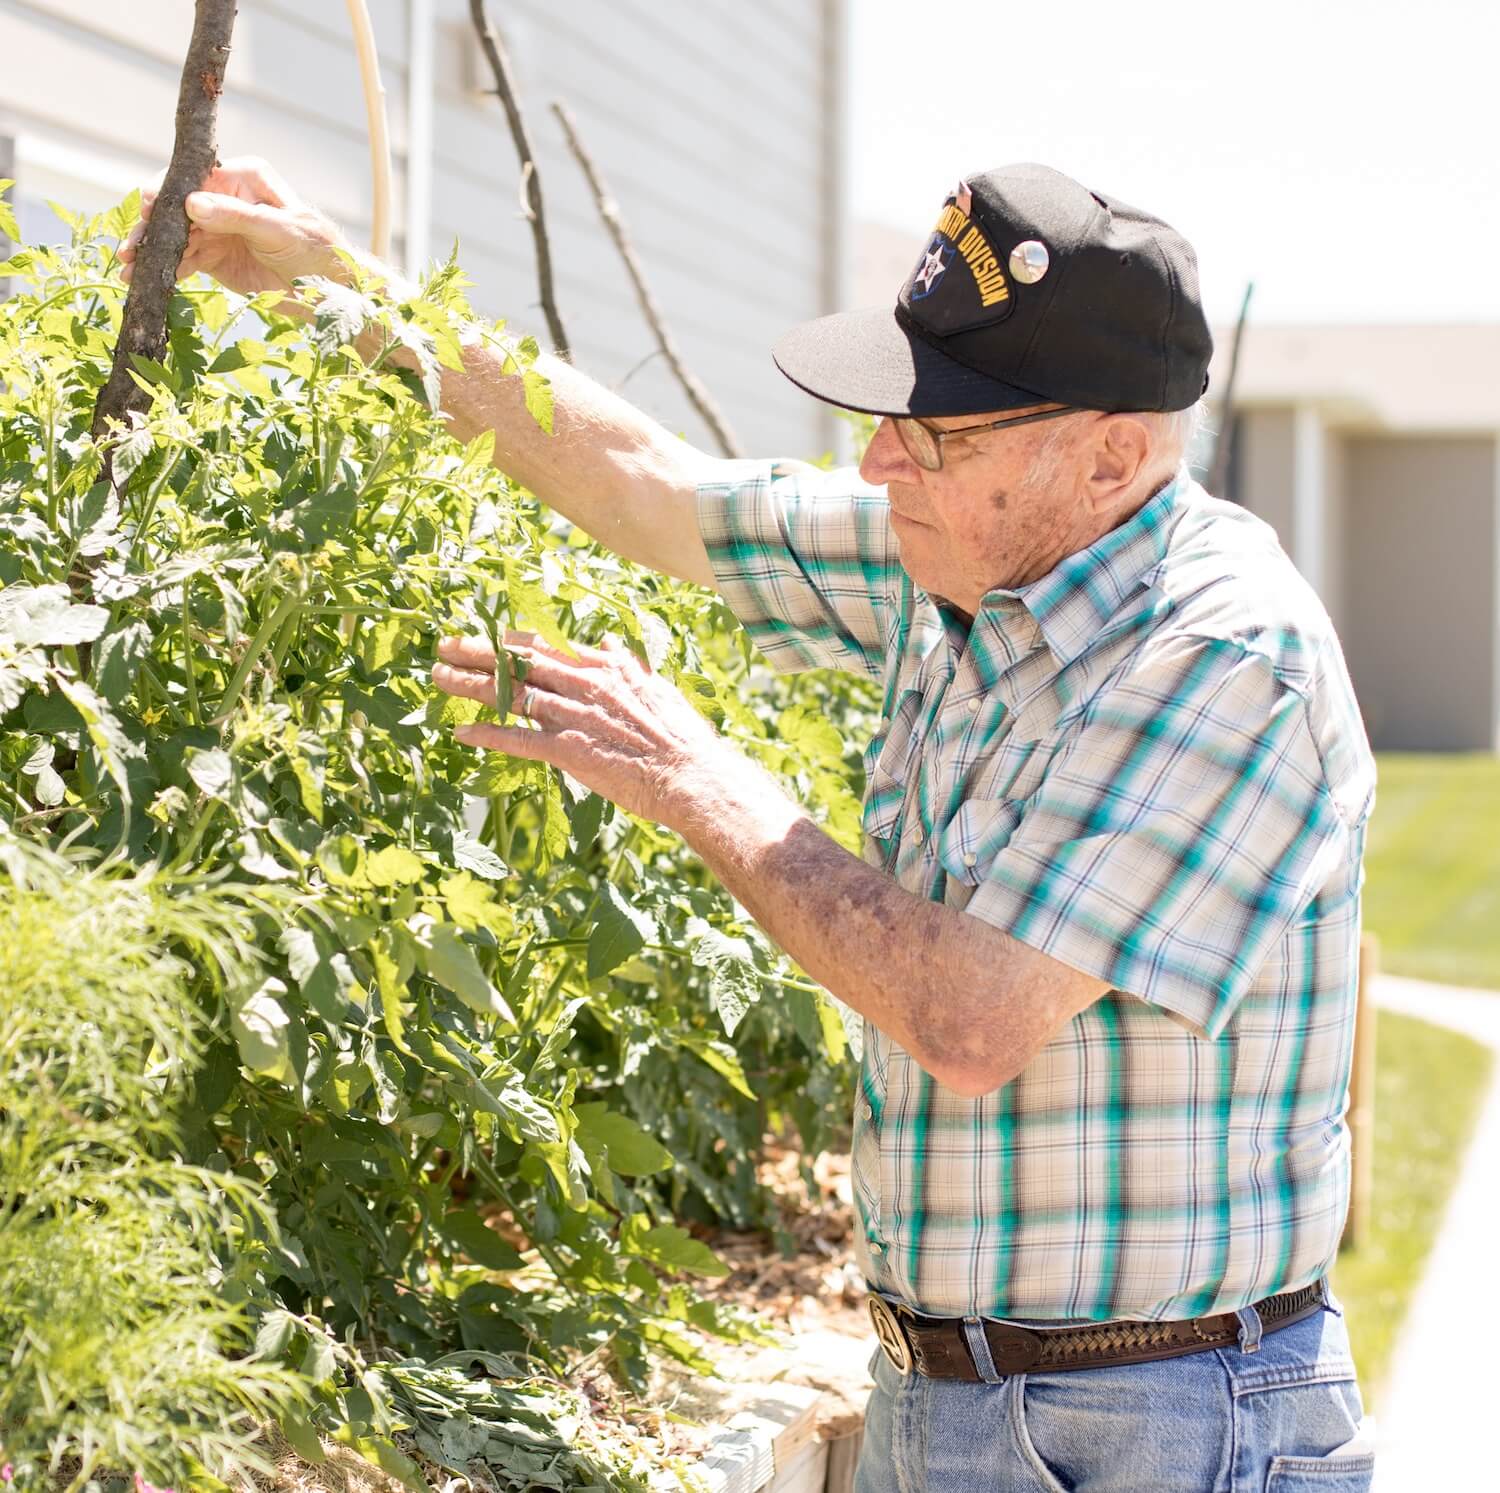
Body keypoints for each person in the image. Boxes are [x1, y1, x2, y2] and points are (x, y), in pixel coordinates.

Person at [122, 158, 1378, 1491]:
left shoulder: (1222, 656)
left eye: (934, 432)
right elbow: (649, 488)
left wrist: (693, 776)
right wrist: (338, 285)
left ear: (1112, 456)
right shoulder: (957, 553)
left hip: (1161, 1424)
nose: (878, 457)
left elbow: (973, 1016)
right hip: (947, 1396)